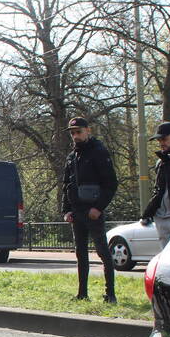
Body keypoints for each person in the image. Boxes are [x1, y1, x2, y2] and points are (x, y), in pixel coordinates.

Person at [61, 117, 119, 303]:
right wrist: (66, 210)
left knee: (103, 252)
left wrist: (98, 207)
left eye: (79, 131)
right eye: (73, 133)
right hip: (77, 212)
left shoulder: (99, 152)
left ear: (88, 130)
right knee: (81, 254)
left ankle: (110, 294)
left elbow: (110, 184)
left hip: (93, 211)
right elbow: (66, 185)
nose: (75, 136)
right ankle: (82, 293)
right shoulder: (71, 157)